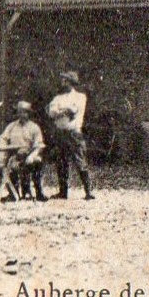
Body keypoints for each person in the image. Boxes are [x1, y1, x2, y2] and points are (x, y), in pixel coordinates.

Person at [46, 70, 94, 200]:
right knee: (61, 162)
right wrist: (64, 111)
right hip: (61, 133)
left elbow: (74, 111)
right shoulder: (58, 98)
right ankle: (63, 192)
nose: (63, 82)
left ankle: (88, 191)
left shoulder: (80, 96)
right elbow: (51, 113)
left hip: (74, 133)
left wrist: (60, 111)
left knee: (80, 161)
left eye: (65, 80)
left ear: (71, 82)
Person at [0, 100, 47, 201]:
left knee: (36, 163)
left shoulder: (34, 127)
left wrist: (32, 155)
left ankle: (37, 192)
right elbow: (2, 138)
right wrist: (2, 151)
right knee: (10, 165)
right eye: (20, 112)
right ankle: (14, 193)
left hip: (29, 155)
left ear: (29, 113)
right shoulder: (11, 126)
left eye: (25, 112)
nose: (22, 114)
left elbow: (40, 145)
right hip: (15, 155)